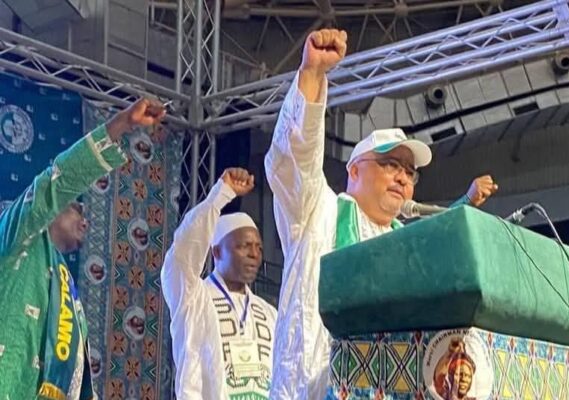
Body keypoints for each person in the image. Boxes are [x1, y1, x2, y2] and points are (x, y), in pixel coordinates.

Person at [265, 29, 499, 399]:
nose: (403, 177)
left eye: (410, 172)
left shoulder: (403, 245)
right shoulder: (318, 210)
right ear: (354, 170)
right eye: (391, 164)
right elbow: (294, 160)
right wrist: (312, 74)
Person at [0, 98, 166, 399]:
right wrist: (120, 126)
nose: (85, 222)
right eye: (77, 209)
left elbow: (73, 372)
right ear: (52, 208)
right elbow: (54, 183)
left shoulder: (60, 277)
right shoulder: (15, 238)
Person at [162, 167, 278, 400]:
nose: (255, 254)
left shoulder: (269, 313)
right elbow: (183, 251)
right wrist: (220, 194)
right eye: (244, 246)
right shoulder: (193, 298)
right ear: (216, 251)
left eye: (259, 248)